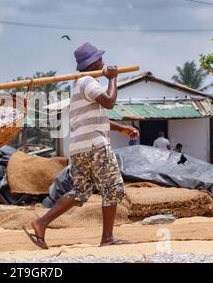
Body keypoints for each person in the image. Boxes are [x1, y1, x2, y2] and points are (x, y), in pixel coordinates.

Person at [23, 42, 138, 249]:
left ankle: (41, 223)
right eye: (101, 59)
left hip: (80, 148)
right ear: (93, 63)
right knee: (112, 188)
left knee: (79, 192)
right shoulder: (88, 81)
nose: (104, 62)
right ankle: (108, 238)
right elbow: (109, 102)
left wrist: (120, 128)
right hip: (95, 147)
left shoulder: (77, 85)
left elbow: (91, 118)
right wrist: (113, 79)